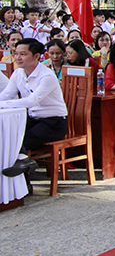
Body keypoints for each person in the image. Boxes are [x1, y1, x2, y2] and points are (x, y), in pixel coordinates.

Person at [0, 39, 68, 183]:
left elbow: (31, 101)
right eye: (16, 53)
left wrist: (5, 103)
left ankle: (24, 182)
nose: (18, 58)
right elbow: (6, 95)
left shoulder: (46, 76)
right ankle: (25, 166)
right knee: (7, 135)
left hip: (54, 122)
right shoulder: (18, 73)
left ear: (37, 56)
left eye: (23, 54)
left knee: (19, 140)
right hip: (32, 119)